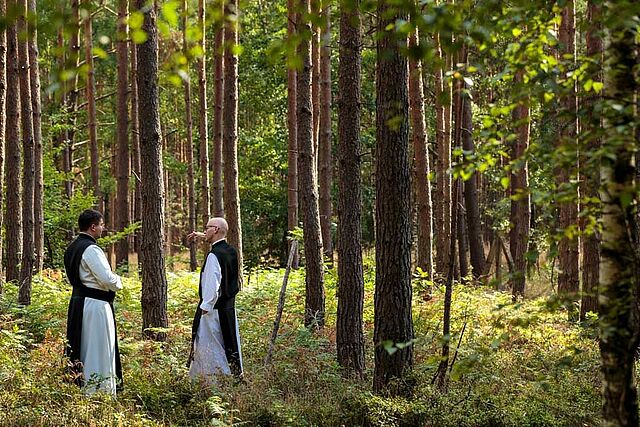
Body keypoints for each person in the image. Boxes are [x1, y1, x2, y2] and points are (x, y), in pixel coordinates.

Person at [64, 209, 123, 396]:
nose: (103, 228)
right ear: (93, 226)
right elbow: (107, 279)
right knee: (97, 348)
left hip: (80, 304)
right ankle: (98, 392)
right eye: (101, 225)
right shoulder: (91, 249)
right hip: (95, 305)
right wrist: (118, 281)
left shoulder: (72, 247)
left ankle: (82, 389)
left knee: (83, 345)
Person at [187, 217, 243, 384]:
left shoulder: (213, 255)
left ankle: (214, 384)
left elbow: (213, 283)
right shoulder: (231, 251)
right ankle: (233, 378)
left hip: (213, 312)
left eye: (207, 228)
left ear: (216, 230)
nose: (205, 231)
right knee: (229, 343)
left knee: (211, 348)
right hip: (228, 310)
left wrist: (206, 307)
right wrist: (201, 235)